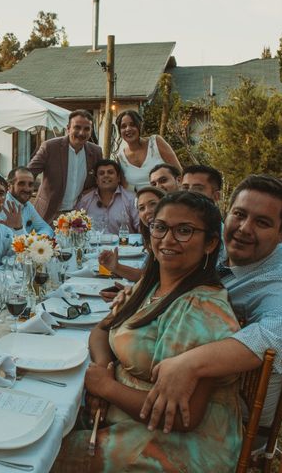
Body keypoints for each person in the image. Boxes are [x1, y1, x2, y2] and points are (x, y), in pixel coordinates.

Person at [68, 191, 241, 472]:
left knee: (52, 453)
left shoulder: (202, 309)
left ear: (210, 242)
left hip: (180, 446)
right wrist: (103, 368)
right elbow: (101, 330)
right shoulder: (152, 285)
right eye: (160, 227)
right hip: (126, 419)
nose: (168, 239)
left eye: (184, 231)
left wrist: (107, 388)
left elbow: (185, 418)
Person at [140, 175, 282, 440]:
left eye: (262, 222)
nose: (245, 228)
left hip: (233, 424)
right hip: (184, 394)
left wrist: (192, 363)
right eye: (239, 214)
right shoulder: (223, 246)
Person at [27, 109, 102, 222]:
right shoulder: (50, 147)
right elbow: (29, 174)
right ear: (68, 129)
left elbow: (99, 180)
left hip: (78, 217)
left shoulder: (96, 152)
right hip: (48, 215)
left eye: (86, 129)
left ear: (91, 131)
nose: (81, 133)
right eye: (77, 127)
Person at [98, 186, 165, 285]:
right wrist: (116, 267)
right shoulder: (152, 238)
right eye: (142, 208)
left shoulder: (169, 241)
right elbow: (148, 277)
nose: (147, 211)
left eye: (153, 204)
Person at [114, 109, 182, 191]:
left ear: (140, 126)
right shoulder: (120, 158)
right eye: (123, 126)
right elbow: (125, 188)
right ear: (120, 131)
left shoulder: (156, 142)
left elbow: (180, 173)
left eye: (132, 125)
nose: (128, 129)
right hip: (141, 202)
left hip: (167, 199)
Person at [75, 159, 139, 235]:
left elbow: (141, 228)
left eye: (110, 172)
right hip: (93, 246)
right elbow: (76, 229)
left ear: (118, 178)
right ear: (97, 180)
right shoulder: (85, 201)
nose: (106, 175)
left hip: (125, 245)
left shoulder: (131, 199)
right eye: (101, 173)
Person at [0, 167, 53, 237]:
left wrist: (36, 239)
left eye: (30, 184)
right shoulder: (2, 206)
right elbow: (12, 242)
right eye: (21, 184)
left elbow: (46, 229)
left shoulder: (27, 205)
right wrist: (33, 240)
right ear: (9, 186)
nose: (27, 189)